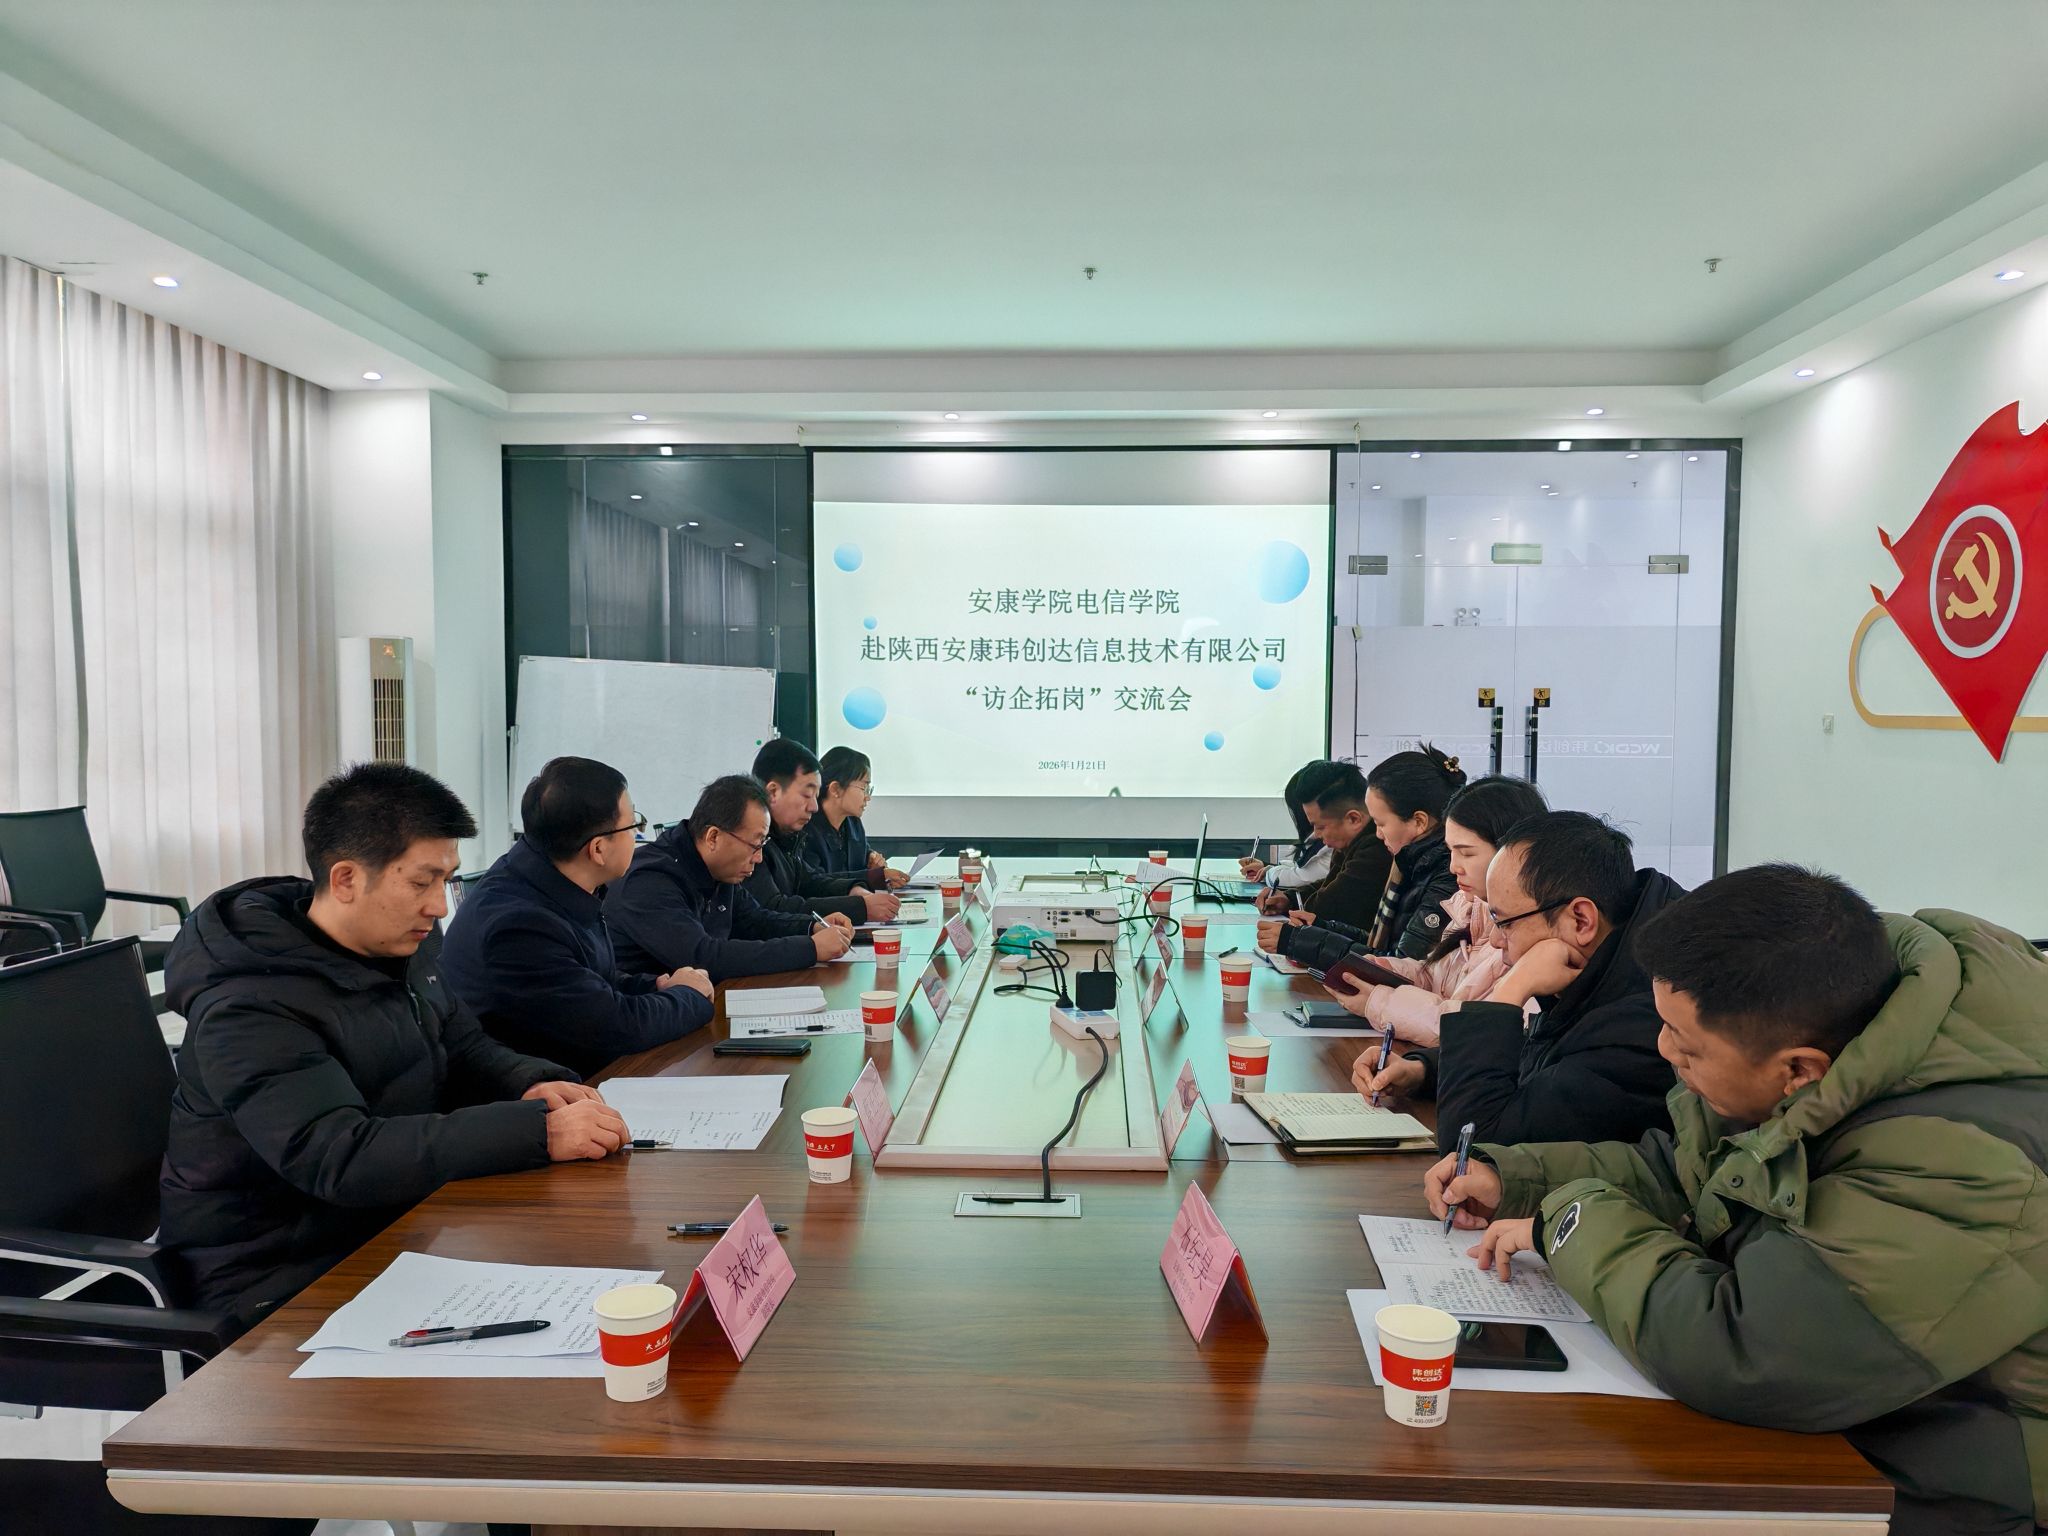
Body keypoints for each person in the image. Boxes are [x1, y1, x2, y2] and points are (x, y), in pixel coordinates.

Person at [1432, 866, 2048, 1536]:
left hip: (1942, 1477)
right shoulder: (1827, 1031)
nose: (1664, 1051)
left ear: (1798, 1070)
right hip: (1852, 1416)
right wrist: (1516, 1178)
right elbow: (1698, 1177)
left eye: (1686, 1045)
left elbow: (1746, 1354)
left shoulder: (1964, 1165)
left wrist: (1569, 1219)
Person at [159, 763, 627, 1324]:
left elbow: (462, 1044)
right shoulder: (249, 1004)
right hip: (277, 1277)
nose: (439, 906)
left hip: (393, 1225)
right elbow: (340, 1157)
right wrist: (536, 1133)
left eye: (447, 880)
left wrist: (530, 1083)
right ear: (346, 880)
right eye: (421, 882)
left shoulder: (401, 942)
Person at [1360, 810, 1683, 1152]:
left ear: (1581, 920)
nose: (1495, 940)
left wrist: (1509, 991)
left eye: (1504, 922)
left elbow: (1471, 1146)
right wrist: (1422, 1070)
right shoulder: (1613, 958)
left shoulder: (1646, 1022)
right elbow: (1536, 1057)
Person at [440, 756, 715, 1078]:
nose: (637, 835)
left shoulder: (549, 878)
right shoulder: (520, 926)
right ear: (598, 849)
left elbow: (591, 981)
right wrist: (690, 995)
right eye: (633, 826)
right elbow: (617, 1027)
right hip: (536, 1093)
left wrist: (657, 985)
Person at [1311, 775, 1547, 1073]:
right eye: (1451, 851)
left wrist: (1381, 1002)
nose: (1453, 866)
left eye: (1466, 853)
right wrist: (1387, 970)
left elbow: (1479, 1030)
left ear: (1514, 854)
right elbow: (1437, 979)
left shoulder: (1532, 933)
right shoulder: (1470, 907)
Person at [610, 773, 854, 979]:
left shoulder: (719, 869)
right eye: (755, 845)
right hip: (652, 1010)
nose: (759, 858)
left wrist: (812, 927)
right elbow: (703, 957)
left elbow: (756, 920)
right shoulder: (649, 880)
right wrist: (810, 948)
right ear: (713, 837)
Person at [1273, 744, 1466, 965]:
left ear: (1419, 821)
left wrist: (1301, 942)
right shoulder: (1411, 863)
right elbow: (1384, 947)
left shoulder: (1444, 875)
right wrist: (1321, 927)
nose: (1378, 834)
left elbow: (1402, 965)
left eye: (1380, 823)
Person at [748, 739, 901, 925]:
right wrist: (859, 906)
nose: (814, 807)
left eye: (816, 796)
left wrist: (855, 890)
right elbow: (773, 908)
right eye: (807, 795)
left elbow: (811, 882)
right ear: (773, 792)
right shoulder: (750, 842)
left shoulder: (786, 838)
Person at [1251, 761, 1394, 931]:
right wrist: (1289, 899)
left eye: (1320, 827)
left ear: (1353, 819)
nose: (1317, 834)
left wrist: (1293, 904)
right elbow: (1328, 885)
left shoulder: (1377, 850)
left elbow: (1327, 906)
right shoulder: (1350, 843)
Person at [803, 744, 908, 888]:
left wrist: (873, 860)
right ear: (835, 789)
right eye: (864, 788)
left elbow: (862, 860)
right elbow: (817, 882)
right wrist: (873, 877)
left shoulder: (853, 823)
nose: (867, 797)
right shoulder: (806, 827)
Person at [1239, 758, 1339, 895]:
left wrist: (1269, 872)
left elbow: (1300, 878)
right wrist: (1268, 867)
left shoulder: (1332, 841)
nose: (1316, 832)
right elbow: (1304, 868)